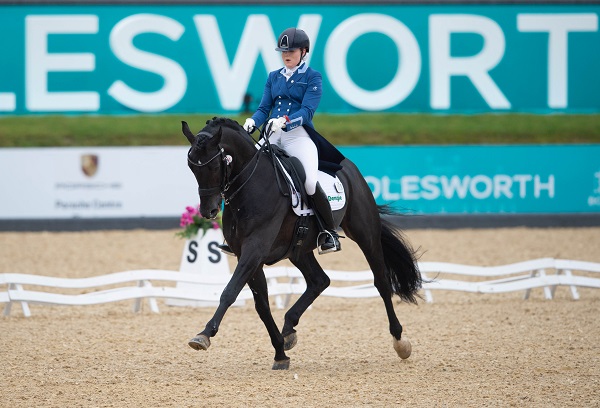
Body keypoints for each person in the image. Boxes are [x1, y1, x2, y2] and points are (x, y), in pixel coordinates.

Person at [239, 27, 341, 254]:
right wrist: (253, 122)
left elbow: (307, 111)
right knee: (245, 172)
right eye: (283, 51)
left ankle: (329, 232)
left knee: (309, 182)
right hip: (272, 135)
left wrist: (286, 121)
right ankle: (237, 229)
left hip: (298, 136)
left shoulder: (312, 77)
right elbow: (264, 108)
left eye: (291, 51)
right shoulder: (273, 77)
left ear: (304, 51)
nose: (286, 55)